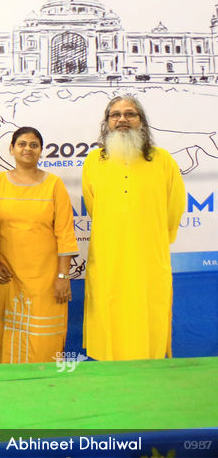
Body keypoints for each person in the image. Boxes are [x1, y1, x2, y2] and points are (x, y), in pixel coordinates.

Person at [81, 95, 185, 361]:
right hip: (108, 257)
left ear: (142, 121)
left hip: (149, 258)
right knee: (109, 309)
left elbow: (175, 207)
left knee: (148, 310)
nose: (122, 119)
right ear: (107, 122)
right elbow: (94, 207)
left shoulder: (162, 160)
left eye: (130, 114)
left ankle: (149, 367)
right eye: (115, 115)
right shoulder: (93, 161)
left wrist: (153, 239)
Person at [0, 126, 77, 364]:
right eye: (22, 144)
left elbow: (65, 234)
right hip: (7, 276)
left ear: (41, 150)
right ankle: (7, 384)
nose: (28, 149)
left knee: (43, 342)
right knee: (5, 339)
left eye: (34, 145)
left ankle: (44, 383)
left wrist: (62, 276)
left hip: (46, 278)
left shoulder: (54, 185)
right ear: (11, 149)